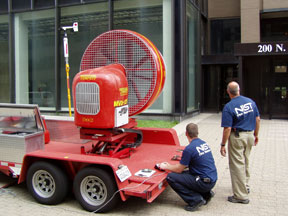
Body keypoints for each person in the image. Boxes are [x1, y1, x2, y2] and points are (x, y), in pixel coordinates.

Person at [159, 123, 217, 212]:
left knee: (171, 177)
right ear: (198, 132)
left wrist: (166, 166)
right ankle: (206, 194)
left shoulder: (189, 148)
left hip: (203, 182)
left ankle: (195, 200)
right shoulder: (203, 143)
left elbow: (179, 169)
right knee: (185, 174)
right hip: (212, 179)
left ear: (186, 133)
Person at [220, 81, 260, 204]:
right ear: (239, 90)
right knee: (246, 160)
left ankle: (240, 196)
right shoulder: (250, 102)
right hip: (250, 135)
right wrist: (256, 134)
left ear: (228, 92)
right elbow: (257, 119)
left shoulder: (229, 107)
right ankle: (245, 186)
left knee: (237, 164)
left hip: (237, 137)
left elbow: (227, 128)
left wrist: (222, 144)